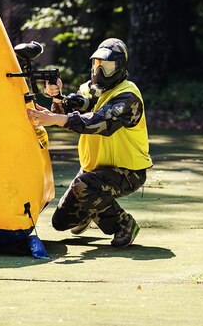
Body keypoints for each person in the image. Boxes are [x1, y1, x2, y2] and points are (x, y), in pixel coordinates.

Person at [27, 38, 152, 247]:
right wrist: (58, 98)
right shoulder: (90, 88)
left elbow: (99, 122)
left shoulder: (128, 96)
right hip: (94, 169)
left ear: (120, 67)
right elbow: (80, 106)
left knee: (84, 186)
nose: (100, 71)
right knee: (61, 222)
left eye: (108, 66)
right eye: (97, 65)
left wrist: (56, 119)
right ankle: (93, 207)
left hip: (128, 171)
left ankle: (124, 224)